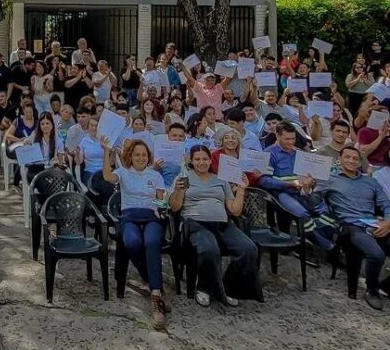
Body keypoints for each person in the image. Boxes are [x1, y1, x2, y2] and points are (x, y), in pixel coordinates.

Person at [168, 145, 262, 307]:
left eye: (205, 159)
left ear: (210, 160)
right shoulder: (183, 178)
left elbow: (235, 210)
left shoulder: (221, 180)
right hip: (196, 223)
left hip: (222, 224)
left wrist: (241, 190)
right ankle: (204, 288)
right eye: (197, 159)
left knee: (249, 248)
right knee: (209, 249)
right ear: (191, 160)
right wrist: (177, 191)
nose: (201, 162)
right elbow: (175, 208)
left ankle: (230, 288)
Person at [301, 146, 390, 309]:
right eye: (347, 157)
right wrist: (306, 189)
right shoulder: (329, 179)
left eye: (355, 158)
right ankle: (372, 289)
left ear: (360, 161)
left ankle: (386, 286)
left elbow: (386, 204)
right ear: (339, 160)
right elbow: (313, 206)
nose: (351, 161)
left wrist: (388, 221)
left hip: (374, 223)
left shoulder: (371, 181)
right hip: (349, 226)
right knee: (377, 255)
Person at [101, 138, 167, 329]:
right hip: (129, 216)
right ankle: (152, 278)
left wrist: (161, 208)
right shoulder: (123, 172)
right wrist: (107, 152)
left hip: (150, 215)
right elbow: (107, 176)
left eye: (144, 155)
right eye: (137, 154)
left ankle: (156, 296)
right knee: (132, 242)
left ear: (149, 157)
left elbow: (160, 200)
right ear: (130, 156)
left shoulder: (155, 175)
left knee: (152, 241)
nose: (140, 158)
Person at [258, 122, 333, 251]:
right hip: (282, 192)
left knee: (326, 212)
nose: (291, 142)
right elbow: (264, 181)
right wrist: (287, 184)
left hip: (303, 190)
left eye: (293, 138)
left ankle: (317, 242)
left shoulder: (299, 152)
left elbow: (310, 175)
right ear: (277, 136)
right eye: (287, 139)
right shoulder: (269, 153)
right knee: (302, 214)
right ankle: (328, 247)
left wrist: (310, 181)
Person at [75, 116, 115, 203]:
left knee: (106, 183)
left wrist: (112, 152)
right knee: (101, 184)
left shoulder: (105, 140)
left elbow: (111, 163)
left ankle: (105, 208)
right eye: (92, 125)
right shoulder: (84, 141)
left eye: (96, 126)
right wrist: (77, 153)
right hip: (90, 172)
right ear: (88, 127)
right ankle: (103, 208)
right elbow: (79, 161)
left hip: (104, 172)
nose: (94, 128)